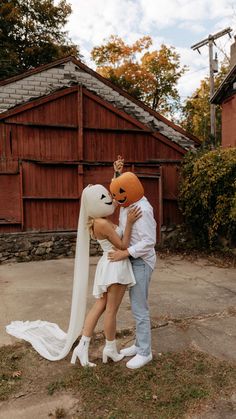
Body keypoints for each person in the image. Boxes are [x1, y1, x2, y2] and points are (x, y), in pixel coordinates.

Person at [71, 184, 141, 367]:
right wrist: (131, 223)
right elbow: (123, 245)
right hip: (115, 266)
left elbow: (112, 199)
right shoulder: (101, 223)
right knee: (111, 310)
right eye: (104, 197)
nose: (110, 198)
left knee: (101, 305)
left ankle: (82, 346)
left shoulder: (98, 220)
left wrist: (117, 175)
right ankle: (109, 348)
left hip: (108, 264)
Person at [108, 157, 157, 370]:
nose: (115, 198)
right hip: (132, 260)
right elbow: (121, 189)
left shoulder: (142, 210)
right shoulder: (128, 202)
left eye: (118, 195)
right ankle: (139, 345)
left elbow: (149, 241)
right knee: (135, 305)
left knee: (139, 308)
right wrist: (118, 173)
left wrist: (124, 253)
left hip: (141, 262)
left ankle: (145, 352)